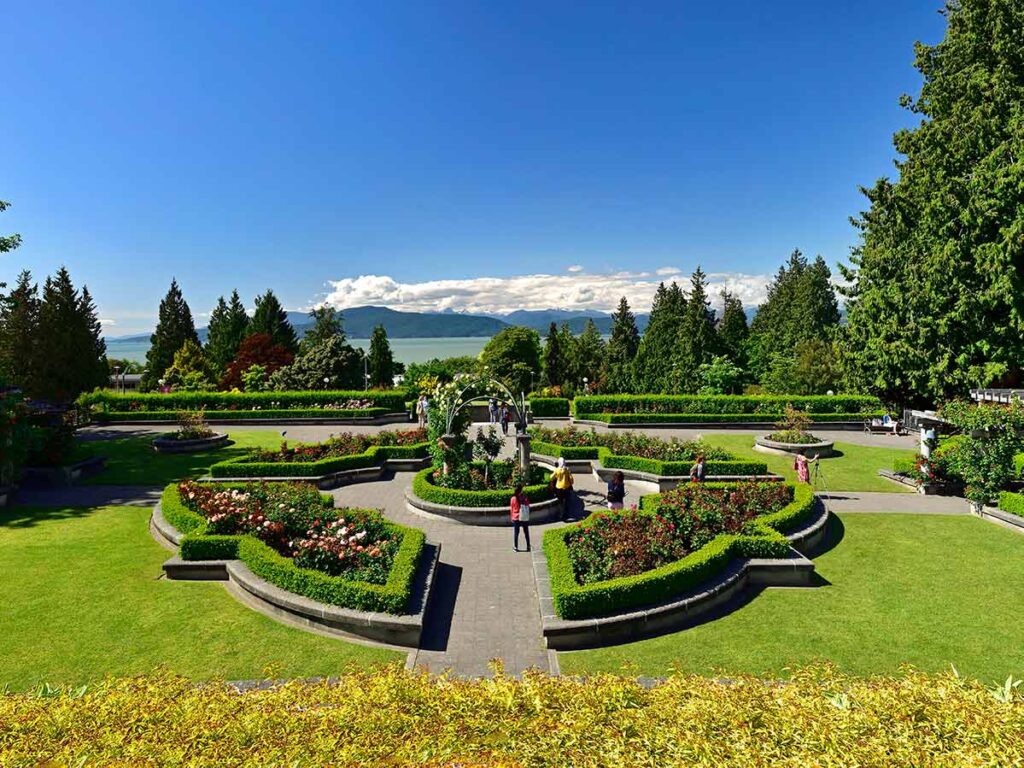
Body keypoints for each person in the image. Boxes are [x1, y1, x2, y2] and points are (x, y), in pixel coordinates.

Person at [510, 483, 531, 552]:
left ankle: (515, 547)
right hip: (524, 517)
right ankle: (528, 546)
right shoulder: (524, 497)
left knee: (516, 533)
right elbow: (528, 505)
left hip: (516, 517)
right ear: (521, 490)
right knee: (526, 532)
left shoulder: (513, 498)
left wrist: (512, 517)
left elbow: (512, 509)